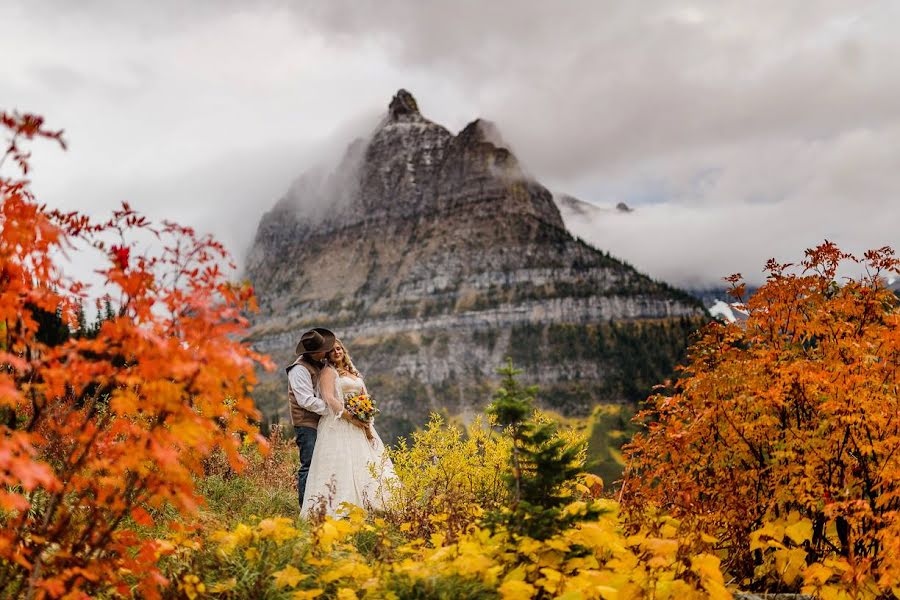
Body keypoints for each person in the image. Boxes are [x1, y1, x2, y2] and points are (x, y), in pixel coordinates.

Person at [301, 338, 397, 517]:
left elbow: (365, 397)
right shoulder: (328, 372)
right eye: (332, 351)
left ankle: (373, 503)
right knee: (342, 462)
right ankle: (340, 508)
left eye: (339, 349)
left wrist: (367, 421)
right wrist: (351, 417)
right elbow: (330, 399)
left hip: (360, 422)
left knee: (368, 461)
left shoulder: (353, 372)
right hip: (338, 422)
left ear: (343, 351)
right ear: (328, 355)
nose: (336, 352)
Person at [286, 328, 369, 507]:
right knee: (309, 465)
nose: (330, 350)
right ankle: (306, 507)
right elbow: (306, 401)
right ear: (316, 352)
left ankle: (328, 503)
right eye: (326, 349)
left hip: (325, 421)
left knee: (327, 462)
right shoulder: (299, 369)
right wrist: (335, 409)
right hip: (307, 422)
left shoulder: (321, 364)